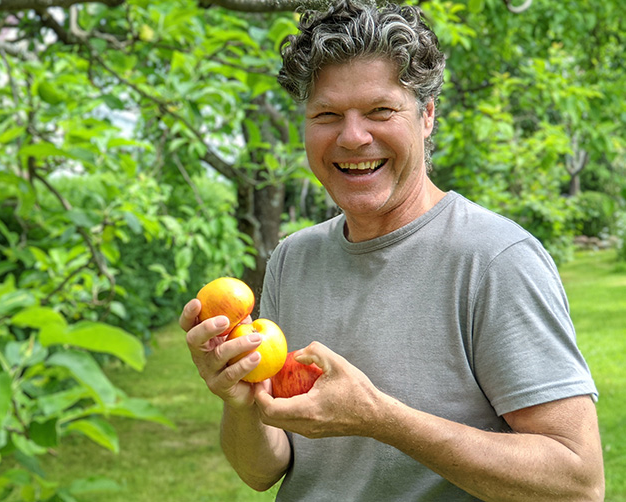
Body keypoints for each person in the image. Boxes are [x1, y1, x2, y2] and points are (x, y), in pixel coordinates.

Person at [181, 1, 605, 500]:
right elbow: (262, 470)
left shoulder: (496, 258)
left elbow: (577, 482)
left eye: (380, 111)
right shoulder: (293, 259)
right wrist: (238, 399)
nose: (353, 136)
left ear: (426, 116)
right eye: (327, 114)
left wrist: (381, 419)